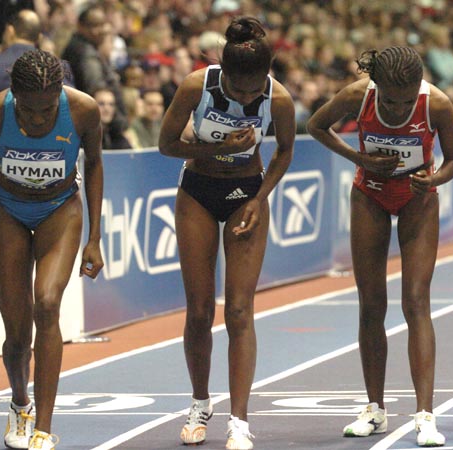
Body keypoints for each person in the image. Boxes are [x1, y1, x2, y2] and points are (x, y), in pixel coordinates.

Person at [306, 46, 453, 447]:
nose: (397, 108)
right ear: (376, 87)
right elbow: (316, 127)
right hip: (370, 195)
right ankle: (375, 409)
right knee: (371, 303)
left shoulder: (437, 105)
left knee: (415, 301)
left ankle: (425, 416)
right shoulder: (357, 95)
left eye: (407, 100)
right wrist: (359, 157)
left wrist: (434, 180)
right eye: (390, 101)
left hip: (418, 200)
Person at [158, 16, 295, 450]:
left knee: (238, 310)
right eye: (238, 91)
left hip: (246, 196)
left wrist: (259, 197)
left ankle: (239, 420)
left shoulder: (280, 99)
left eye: (255, 91)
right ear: (225, 73)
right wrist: (218, 147)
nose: (247, 98)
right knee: (199, 310)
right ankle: (200, 404)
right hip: (198, 191)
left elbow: (286, 151)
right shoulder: (196, 87)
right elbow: (166, 144)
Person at [0, 49, 104, 450]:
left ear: (61, 92)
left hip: (60, 210)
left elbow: (94, 163)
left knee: (47, 303)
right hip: (7, 210)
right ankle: (19, 402)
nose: (39, 119)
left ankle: (43, 428)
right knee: (16, 334)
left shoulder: (82, 110)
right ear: (13, 94)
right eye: (29, 111)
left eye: (47, 111)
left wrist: (95, 237)